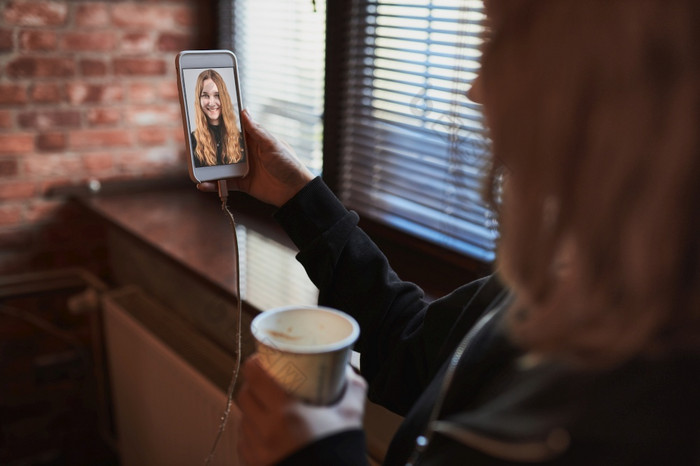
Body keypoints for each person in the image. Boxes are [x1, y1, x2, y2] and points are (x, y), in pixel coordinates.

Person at [201, 1, 700, 464]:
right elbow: (411, 348)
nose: (475, 90)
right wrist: (299, 196)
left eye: (497, 44)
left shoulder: (646, 416)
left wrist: (320, 458)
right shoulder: (570, 271)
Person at [191, 69, 244, 167]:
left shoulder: (241, 139)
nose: (211, 103)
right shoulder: (192, 141)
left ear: (224, 97)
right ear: (199, 100)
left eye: (217, 95)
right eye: (205, 95)